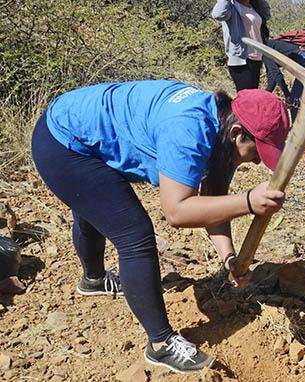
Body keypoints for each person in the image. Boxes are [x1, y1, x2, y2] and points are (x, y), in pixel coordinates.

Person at [31, 80, 289, 374]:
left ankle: (94, 280)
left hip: (80, 127)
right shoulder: (188, 130)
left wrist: (229, 256)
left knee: (96, 204)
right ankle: (161, 344)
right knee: (134, 235)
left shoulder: (223, 130)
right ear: (237, 133)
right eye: (257, 153)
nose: (256, 163)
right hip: (62, 143)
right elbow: (177, 211)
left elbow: (213, 200)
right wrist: (248, 201)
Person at [211, 0, 272, 91]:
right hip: (241, 60)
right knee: (246, 99)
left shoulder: (254, 7)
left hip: (256, 58)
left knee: (251, 97)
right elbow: (217, 14)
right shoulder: (232, 7)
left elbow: (267, 14)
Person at [263, 31, 305, 121]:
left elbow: (276, 74)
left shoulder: (265, 49)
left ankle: (296, 129)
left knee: (294, 99)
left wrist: (287, 94)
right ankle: (302, 126)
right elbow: (272, 78)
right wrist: (265, 95)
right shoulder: (274, 44)